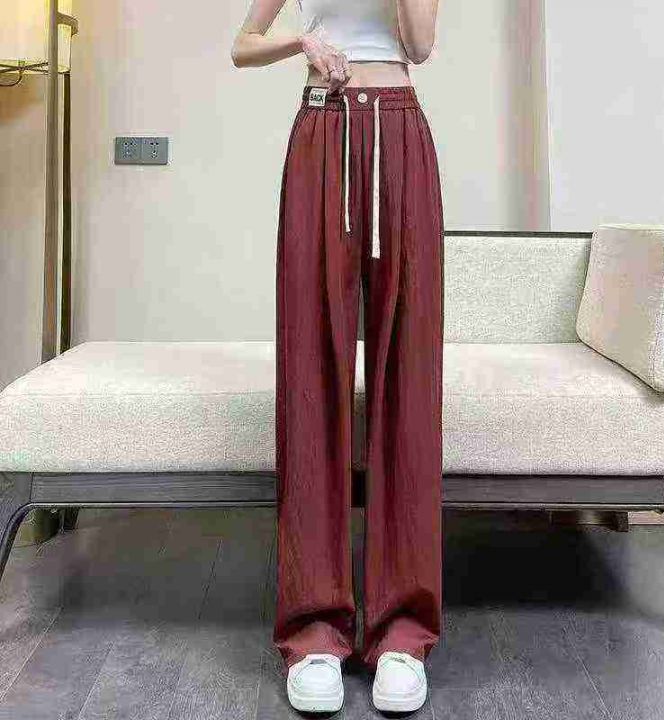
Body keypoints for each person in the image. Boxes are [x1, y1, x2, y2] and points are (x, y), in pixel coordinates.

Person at [231, 0, 443, 713]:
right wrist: (303, 41)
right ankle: (314, 632)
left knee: (406, 371)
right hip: (322, 129)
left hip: (400, 132)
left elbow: (420, 46)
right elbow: (243, 44)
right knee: (312, 369)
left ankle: (401, 634)